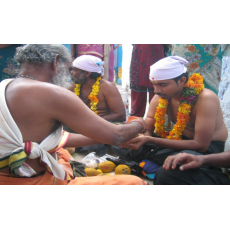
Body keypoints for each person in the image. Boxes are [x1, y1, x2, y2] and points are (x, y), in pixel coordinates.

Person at [0, 44, 148, 185]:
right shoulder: (53, 93)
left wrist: (101, 137)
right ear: (56, 62)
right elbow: (118, 136)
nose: (69, 74)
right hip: (30, 181)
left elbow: (56, 138)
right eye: (68, 68)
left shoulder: (5, 85)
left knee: (63, 154)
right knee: (136, 182)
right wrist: (141, 123)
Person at [119, 56, 228, 185]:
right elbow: (147, 128)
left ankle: (146, 164)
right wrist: (140, 139)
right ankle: (149, 164)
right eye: (154, 84)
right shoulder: (161, 96)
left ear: (182, 80)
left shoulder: (206, 98)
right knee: (120, 142)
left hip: (205, 149)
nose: (156, 90)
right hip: (176, 141)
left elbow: (201, 145)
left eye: (162, 84)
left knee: (176, 164)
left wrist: (149, 140)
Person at [69, 55, 126, 122]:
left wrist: (92, 122)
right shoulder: (72, 87)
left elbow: (121, 115)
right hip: (79, 126)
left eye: (75, 70)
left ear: (87, 73)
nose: (71, 73)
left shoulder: (107, 87)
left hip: (104, 126)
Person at [129, 44, 165, 117]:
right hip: (140, 51)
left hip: (155, 51)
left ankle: (156, 118)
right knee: (138, 84)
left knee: (156, 84)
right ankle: (136, 117)